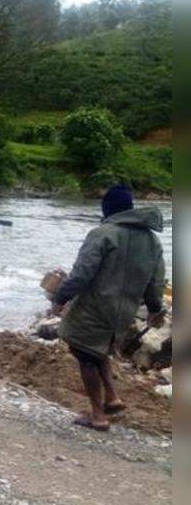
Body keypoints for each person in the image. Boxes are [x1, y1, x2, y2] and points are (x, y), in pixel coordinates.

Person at [50, 184, 166, 432]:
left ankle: (98, 415)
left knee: (84, 354)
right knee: (98, 350)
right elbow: (155, 283)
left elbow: (82, 274)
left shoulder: (103, 233)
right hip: (124, 312)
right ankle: (112, 397)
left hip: (95, 306)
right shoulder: (152, 241)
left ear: (108, 209)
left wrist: (60, 298)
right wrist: (155, 309)